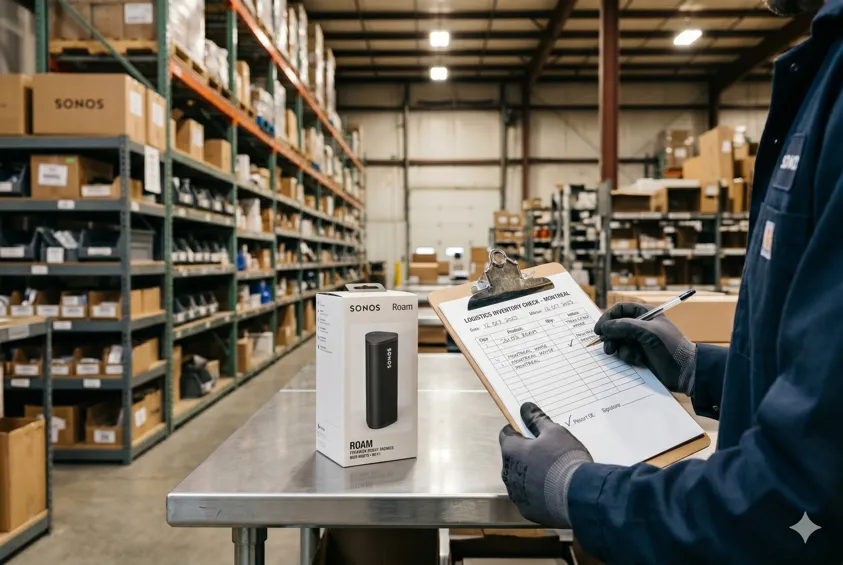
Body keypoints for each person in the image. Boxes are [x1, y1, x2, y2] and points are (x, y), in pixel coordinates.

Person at [498, 0, 843, 562]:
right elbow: (822, 382)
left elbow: (797, 499)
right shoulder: (827, 70)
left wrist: (580, 491)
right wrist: (699, 368)